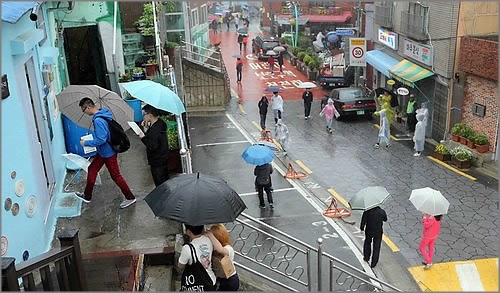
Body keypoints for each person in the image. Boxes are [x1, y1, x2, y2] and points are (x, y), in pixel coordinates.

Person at [75, 98, 136, 208]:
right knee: (92, 169)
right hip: (103, 152)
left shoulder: (98, 120)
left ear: (88, 107)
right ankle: (87, 195)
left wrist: (86, 143)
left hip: (108, 153)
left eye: (83, 110)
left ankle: (130, 197)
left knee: (116, 176)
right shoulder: (104, 113)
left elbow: (101, 139)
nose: (84, 112)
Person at [178, 225, 220, 291]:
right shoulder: (209, 239)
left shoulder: (187, 248)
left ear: (189, 231)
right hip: (211, 281)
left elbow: (180, 266)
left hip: (197, 285)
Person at [139, 105, 169, 186]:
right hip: (163, 158)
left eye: (144, 114)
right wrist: (146, 128)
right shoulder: (160, 123)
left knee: (160, 183)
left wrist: (143, 137)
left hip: (157, 161)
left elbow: (152, 146)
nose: (143, 116)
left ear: (150, 115)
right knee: (165, 181)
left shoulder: (154, 130)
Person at [208, 224, 240, 291]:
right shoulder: (213, 249)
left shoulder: (228, 248)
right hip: (220, 279)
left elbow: (220, 250)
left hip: (230, 280)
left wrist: (210, 235)